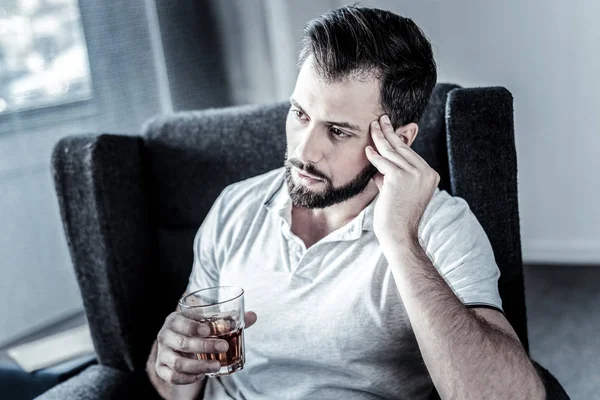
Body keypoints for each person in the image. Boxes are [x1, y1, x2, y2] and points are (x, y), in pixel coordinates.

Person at [146, 5, 545, 400]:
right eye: (300, 114)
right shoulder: (235, 207)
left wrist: (400, 239)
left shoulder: (442, 228)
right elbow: (178, 389)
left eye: (337, 131)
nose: (305, 151)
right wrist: (168, 362)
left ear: (398, 142)